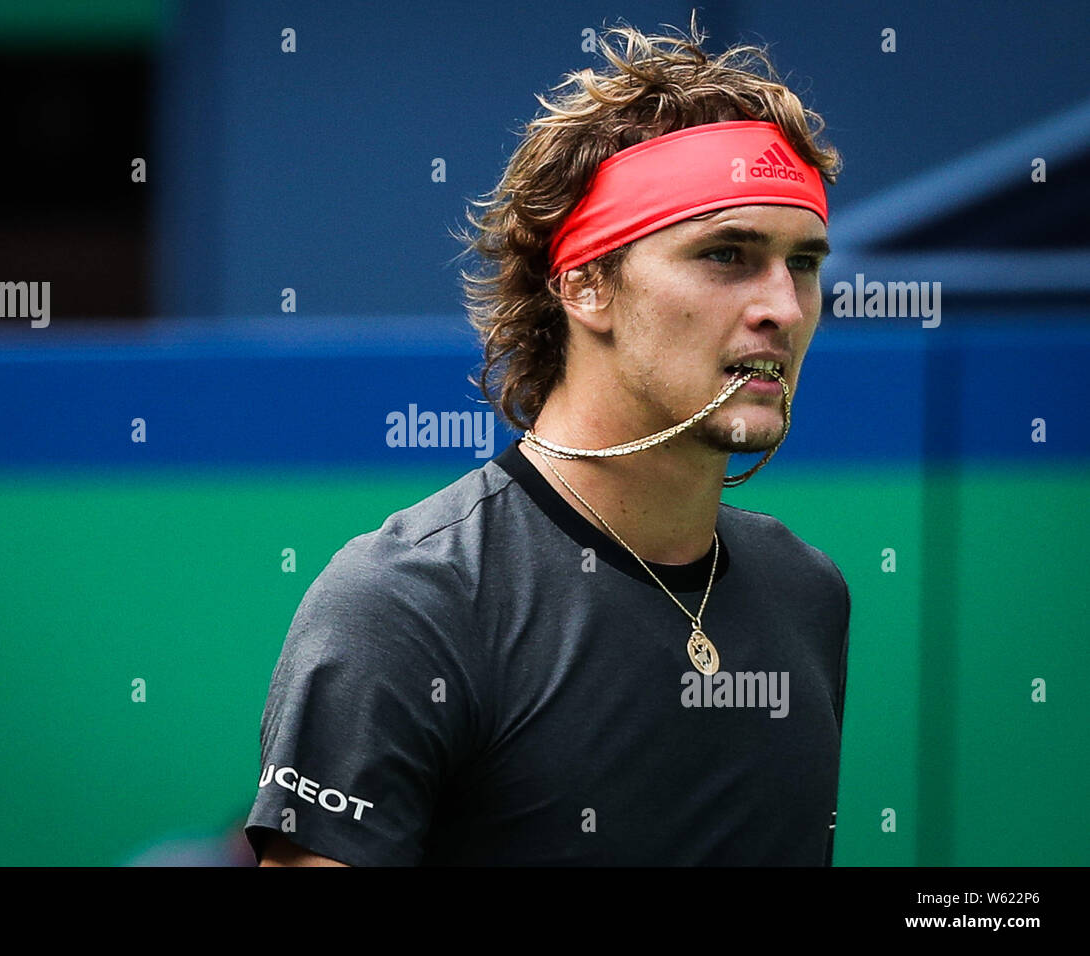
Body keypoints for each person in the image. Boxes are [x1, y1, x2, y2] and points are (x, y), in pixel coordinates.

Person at [245, 20, 850, 866]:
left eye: (805, 263)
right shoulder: (402, 606)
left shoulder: (808, 594)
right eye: (726, 255)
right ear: (585, 283)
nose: (783, 308)